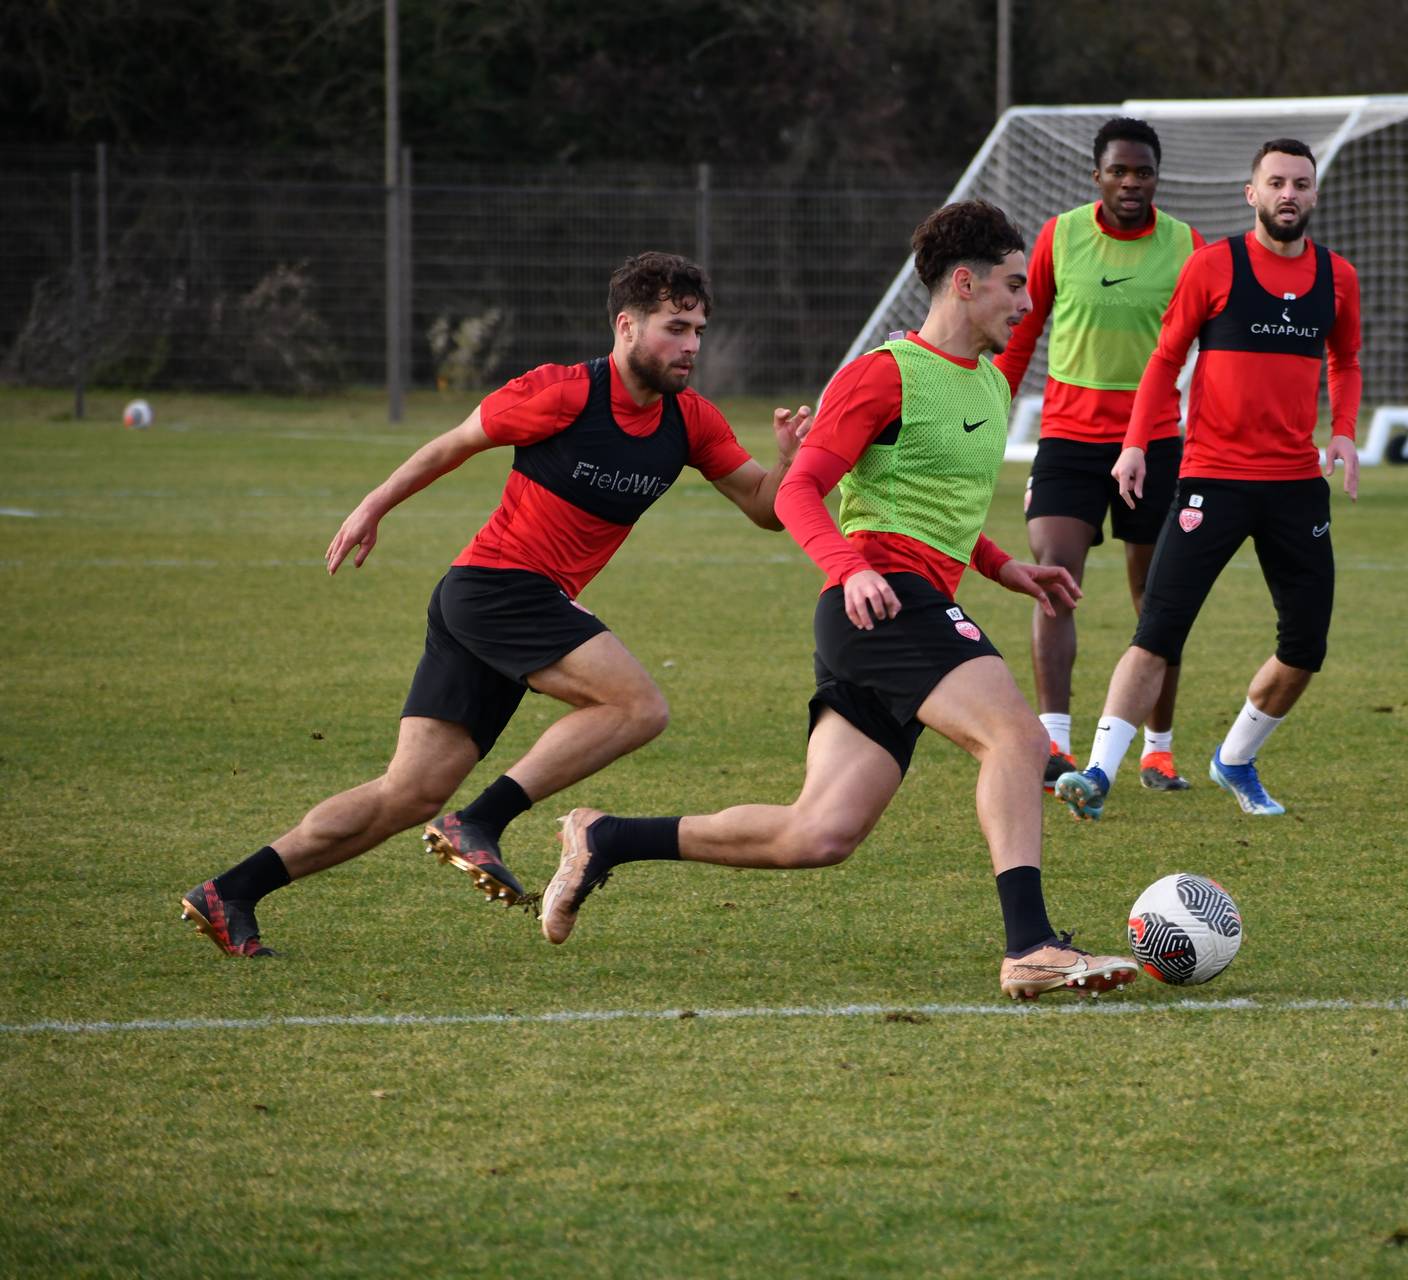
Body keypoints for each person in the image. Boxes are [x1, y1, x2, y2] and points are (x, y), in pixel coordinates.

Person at [537, 201, 1140, 1001]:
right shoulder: (883, 373)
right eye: (1011, 284)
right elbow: (800, 492)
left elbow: (933, 509)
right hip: (884, 600)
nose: (1026, 301)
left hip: (895, 606)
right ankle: (1030, 945)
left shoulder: (992, 384)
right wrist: (850, 569)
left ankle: (605, 838)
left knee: (816, 834)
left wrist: (1004, 570)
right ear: (964, 283)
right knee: (1019, 741)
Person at [179, 252, 810, 957]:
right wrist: (373, 505)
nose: (691, 345)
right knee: (638, 707)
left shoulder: (690, 422)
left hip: (499, 603)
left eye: (698, 329)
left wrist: (787, 460)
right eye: (675, 328)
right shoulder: (564, 392)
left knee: (407, 793)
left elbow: (765, 508)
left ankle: (229, 891)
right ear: (627, 327)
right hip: (496, 588)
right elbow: (454, 444)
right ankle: (480, 819)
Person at [1054, 138, 1361, 821]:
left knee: (1305, 647)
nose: (1289, 194)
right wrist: (1135, 445)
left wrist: (1342, 430)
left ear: (1313, 196)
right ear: (1250, 194)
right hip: (1211, 478)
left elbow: (1346, 358)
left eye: (1301, 184)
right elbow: (1164, 361)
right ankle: (1099, 773)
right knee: (1158, 631)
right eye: (1276, 182)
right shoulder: (1212, 265)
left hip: (1294, 485)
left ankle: (1236, 759)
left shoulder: (1338, 277)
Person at [995, 117, 1204, 795]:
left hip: (1156, 440)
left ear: (1156, 178)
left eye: (1143, 172)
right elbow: (1021, 334)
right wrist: (989, 412)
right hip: (1068, 438)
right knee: (1054, 580)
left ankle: (1159, 751)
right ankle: (1053, 747)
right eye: (1119, 171)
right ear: (1097, 177)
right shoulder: (1061, 236)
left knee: (1157, 599)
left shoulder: (1186, 246)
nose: (1131, 183)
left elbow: (1210, 351)